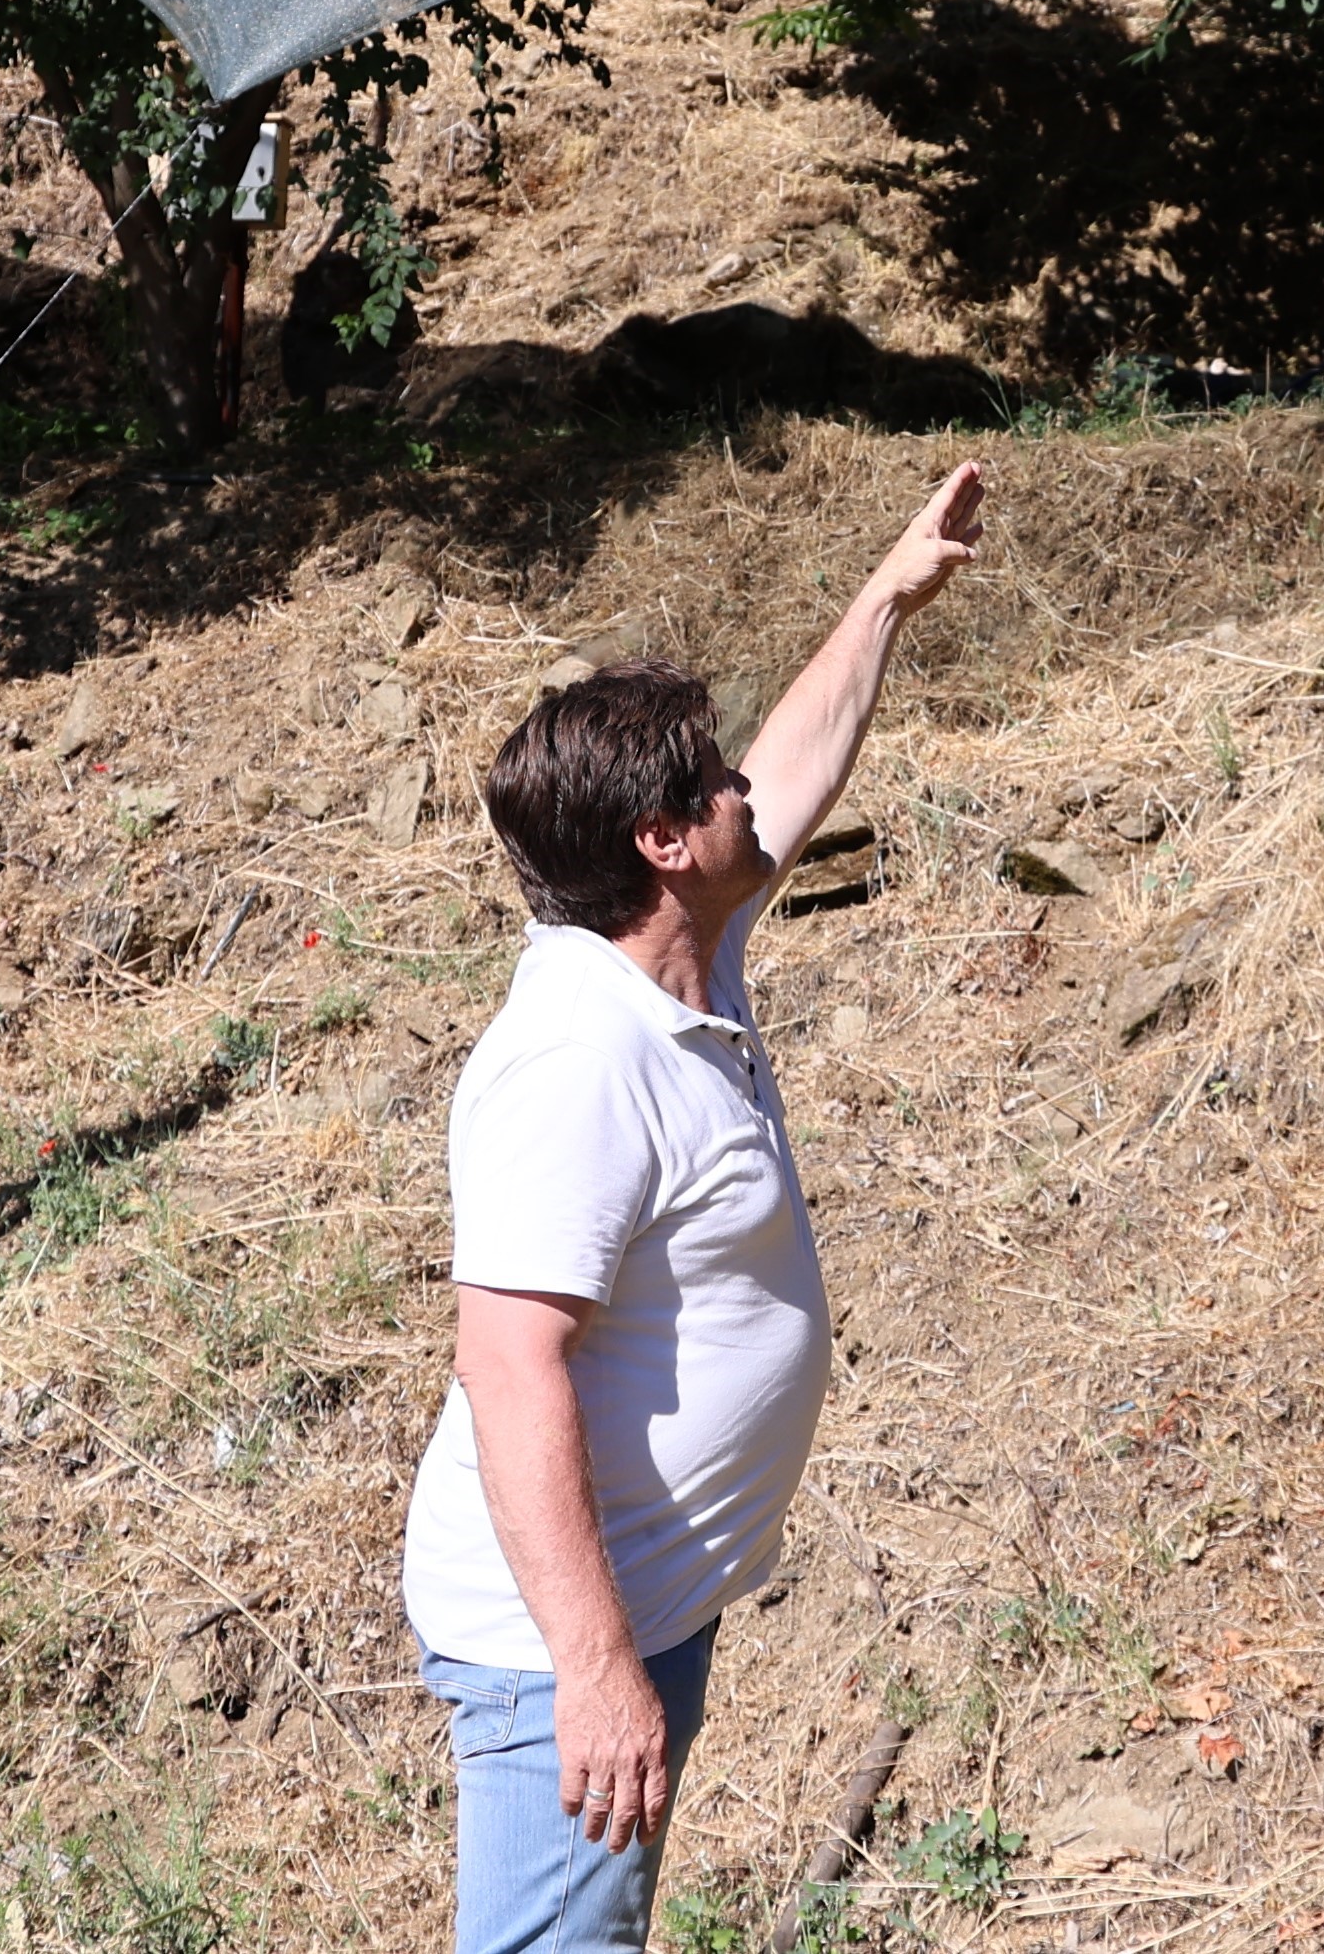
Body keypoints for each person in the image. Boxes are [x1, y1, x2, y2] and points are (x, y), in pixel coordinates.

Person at [402, 462, 983, 1948]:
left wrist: (887, 597)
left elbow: (794, 770)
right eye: (712, 784)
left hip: (645, 1601)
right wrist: (596, 1667)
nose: (744, 794)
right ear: (663, 843)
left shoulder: (675, 956)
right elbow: (506, 1361)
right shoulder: (576, 1059)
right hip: (561, 1639)